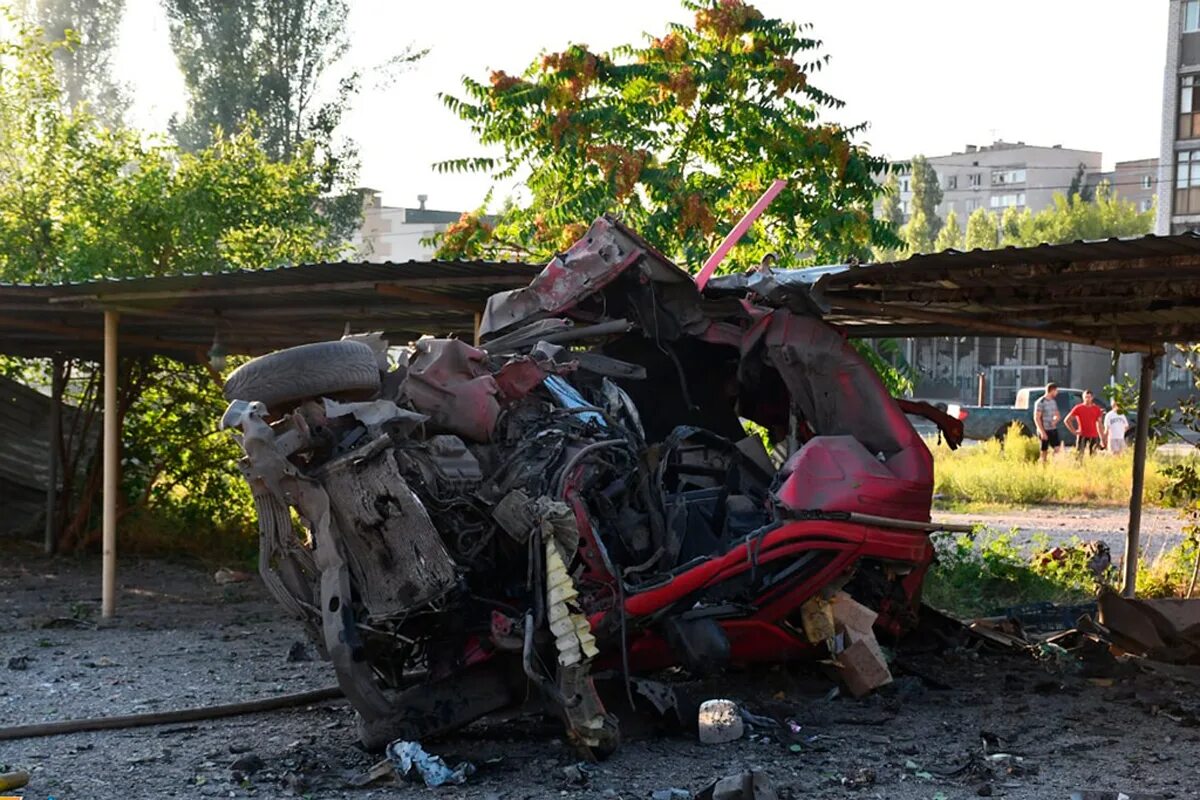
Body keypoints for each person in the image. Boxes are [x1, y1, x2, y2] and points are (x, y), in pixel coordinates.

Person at [1064, 389, 1105, 456]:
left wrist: (1102, 437)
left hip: (1093, 435)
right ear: (1083, 397)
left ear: (1092, 398)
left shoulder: (1096, 409)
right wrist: (1074, 431)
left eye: (1089, 397)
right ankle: (1079, 466)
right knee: (1079, 454)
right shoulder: (1078, 408)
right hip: (1082, 434)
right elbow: (1067, 420)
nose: (1087, 399)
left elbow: (1099, 424)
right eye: (1085, 397)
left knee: (1093, 455)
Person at [1033, 383, 1062, 463]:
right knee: (1044, 451)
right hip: (1044, 429)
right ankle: (1043, 466)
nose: (1057, 393)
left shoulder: (1053, 402)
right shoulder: (1040, 402)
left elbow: (1057, 415)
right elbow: (1037, 418)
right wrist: (1042, 432)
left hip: (1052, 429)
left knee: (1057, 449)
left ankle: (1054, 465)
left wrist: (1055, 420)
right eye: (1056, 391)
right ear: (1052, 391)